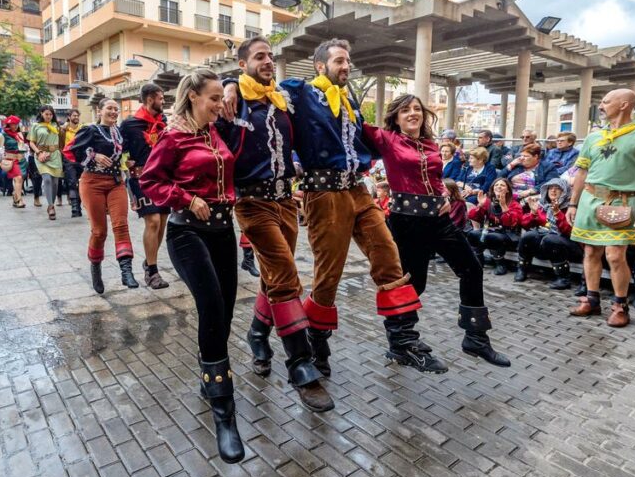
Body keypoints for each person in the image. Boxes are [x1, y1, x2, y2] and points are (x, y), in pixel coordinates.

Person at [225, 39, 442, 376]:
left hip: (358, 189)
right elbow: (259, 85)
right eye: (340, 60)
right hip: (323, 195)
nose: (347, 66)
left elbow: (364, 141)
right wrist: (228, 85)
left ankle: (402, 341)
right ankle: (316, 340)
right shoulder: (299, 92)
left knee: (388, 257)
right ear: (320, 66)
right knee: (329, 275)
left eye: (348, 60)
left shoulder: (350, 98)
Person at [218, 36, 333, 412]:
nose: (268, 61)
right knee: (286, 276)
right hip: (251, 203)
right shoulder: (232, 103)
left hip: (285, 200)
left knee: (272, 276)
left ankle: (256, 335)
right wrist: (228, 86)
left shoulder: (282, 97)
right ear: (242, 64)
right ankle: (300, 364)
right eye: (259, 57)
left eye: (270, 56)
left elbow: (312, 90)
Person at [139, 69, 244, 463]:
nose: (220, 104)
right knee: (212, 307)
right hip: (187, 234)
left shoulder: (216, 132)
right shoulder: (173, 135)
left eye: (222, 97)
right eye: (214, 98)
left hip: (223, 231)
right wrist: (185, 198)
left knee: (227, 309)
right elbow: (151, 181)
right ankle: (223, 409)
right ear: (194, 97)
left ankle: (208, 373)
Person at [363, 95, 509, 367]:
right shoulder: (385, 138)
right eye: (405, 110)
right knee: (412, 283)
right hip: (406, 221)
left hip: (437, 219)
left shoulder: (430, 144)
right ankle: (401, 343)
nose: (412, 113)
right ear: (395, 117)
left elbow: (433, 178)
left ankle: (476, 338)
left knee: (472, 267)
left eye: (417, 109)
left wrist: (443, 194)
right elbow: (350, 122)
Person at [566, 88, 635, 328]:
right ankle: (591, 300)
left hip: (624, 202)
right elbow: (582, 172)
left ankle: (620, 306)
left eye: (605, 101)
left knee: (614, 255)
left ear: (624, 105)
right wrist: (573, 202)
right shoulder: (593, 137)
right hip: (590, 201)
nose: (601, 106)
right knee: (591, 252)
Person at [70, 98, 138, 293]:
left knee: (121, 224)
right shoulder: (90, 130)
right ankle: (95, 267)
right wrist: (94, 155)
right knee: (100, 232)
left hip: (116, 182)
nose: (114, 112)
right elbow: (73, 152)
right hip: (92, 182)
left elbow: (128, 149)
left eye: (116, 109)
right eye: (109, 108)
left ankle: (126, 271)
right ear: (99, 111)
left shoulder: (120, 132)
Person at [120, 83, 170, 290]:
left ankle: (150, 261)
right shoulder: (129, 124)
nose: (163, 101)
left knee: (162, 222)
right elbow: (118, 147)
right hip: (141, 178)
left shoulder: (164, 121)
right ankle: (152, 270)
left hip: (164, 177)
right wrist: (125, 161)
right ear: (150, 99)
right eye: (161, 97)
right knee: (153, 221)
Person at [516, 178, 581, 289]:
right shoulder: (544, 205)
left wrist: (557, 213)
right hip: (546, 245)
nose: (553, 191)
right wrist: (533, 213)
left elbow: (569, 231)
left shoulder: (571, 208)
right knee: (529, 236)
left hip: (570, 246)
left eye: (557, 189)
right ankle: (522, 269)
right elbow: (525, 224)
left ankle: (563, 278)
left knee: (550, 239)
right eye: (551, 188)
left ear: (565, 191)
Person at [466, 178, 523, 276]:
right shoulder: (488, 201)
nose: (499, 187)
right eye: (496, 185)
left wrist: (504, 206)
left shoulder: (514, 204)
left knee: (493, 237)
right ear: (492, 189)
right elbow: (473, 217)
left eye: (502, 185)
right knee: (473, 234)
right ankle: (478, 260)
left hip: (508, 233)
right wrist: (480, 205)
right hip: (489, 230)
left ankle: (500, 264)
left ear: (508, 190)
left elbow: (512, 223)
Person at [27, 106, 64, 220]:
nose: (49, 116)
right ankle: (51, 206)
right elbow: (32, 142)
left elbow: (62, 140)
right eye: (46, 114)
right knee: (47, 179)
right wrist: (38, 153)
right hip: (41, 155)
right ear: (42, 113)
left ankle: (50, 205)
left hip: (55, 156)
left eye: (51, 114)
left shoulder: (56, 126)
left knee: (55, 184)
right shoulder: (36, 126)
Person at [0, 116, 27, 208]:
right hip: (11, 160)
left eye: (16, 124)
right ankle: (19, 200)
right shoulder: (3, 134)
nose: (14, 126)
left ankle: (15, 196)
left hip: (22, 160)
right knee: (18, 178)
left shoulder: (20, 133)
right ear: (8, 124)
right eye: (12, 124)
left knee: (20, 179)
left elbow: (22, 147)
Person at [62, 109, 84, 217]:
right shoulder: (63, 130)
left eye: (77, 116)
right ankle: (75, 208)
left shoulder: (83, 129)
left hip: (81, 158)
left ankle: (79, 205)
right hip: (68, 159)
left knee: (81, 182)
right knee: (72, 182)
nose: (76, 117)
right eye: (74, 115)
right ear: (69, 117)